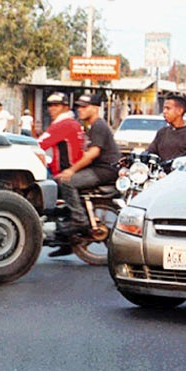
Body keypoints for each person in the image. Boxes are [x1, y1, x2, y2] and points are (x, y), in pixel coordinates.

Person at [48, 93, 120, 258]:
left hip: (104, 170)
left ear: (95, 108)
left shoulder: (98, 126)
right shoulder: (89, 126)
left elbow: (93, 153)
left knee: (68, 182)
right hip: (98, 169)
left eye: (84, 107)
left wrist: (71, 171)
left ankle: (79, 220)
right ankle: (65, 240)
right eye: (79, 106)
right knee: (59, 183)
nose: (80, 110)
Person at [146, 93, 186, 168]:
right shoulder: (162, 133)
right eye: (164, 108)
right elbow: (150, 152)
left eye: (168, 108)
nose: (164, 112)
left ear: (180, 111)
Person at [37, 92, 84, 178]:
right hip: (77, 169)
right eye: (50, 105)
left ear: (66, 108)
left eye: (56, 105)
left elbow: (38, 145)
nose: (51, 109)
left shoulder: (63, 124)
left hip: (63, 173)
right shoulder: (74, 123)